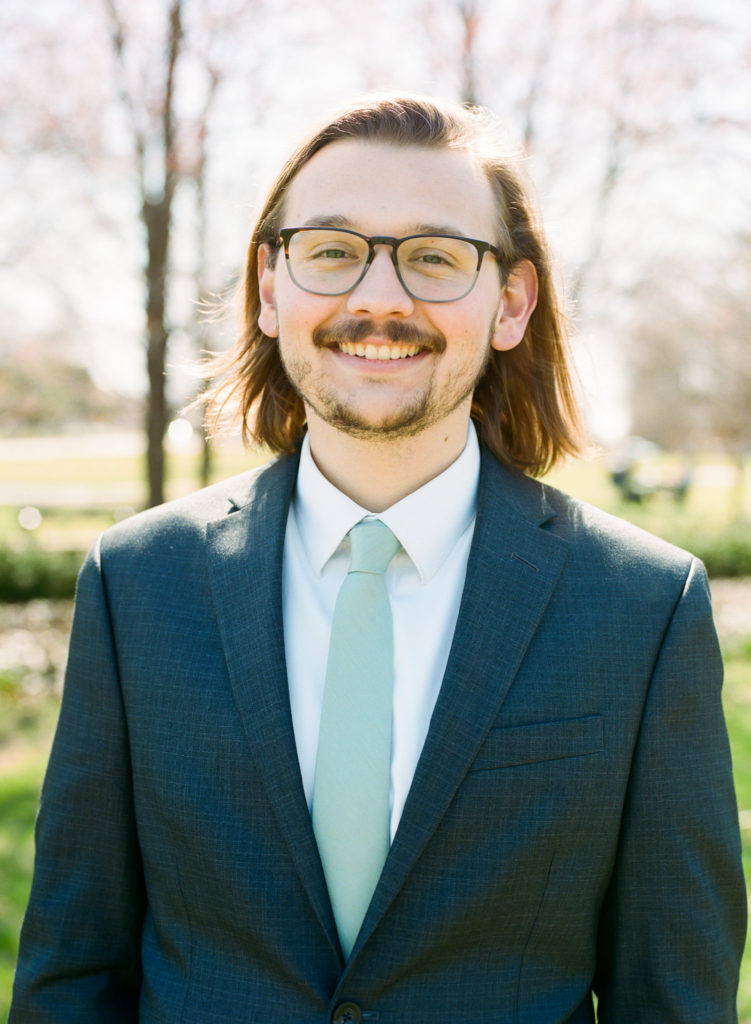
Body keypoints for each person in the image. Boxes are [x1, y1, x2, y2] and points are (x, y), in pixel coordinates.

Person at [11, 94, 745, 1023]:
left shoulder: (642, 608)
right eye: (331, 250)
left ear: (510, 302)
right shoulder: (137, 585)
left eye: (435, 257)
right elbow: (71, 980)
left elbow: (673, 1000)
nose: (379, 298)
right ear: (271, 290)